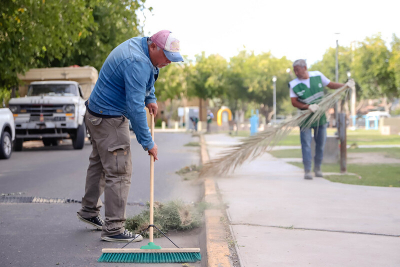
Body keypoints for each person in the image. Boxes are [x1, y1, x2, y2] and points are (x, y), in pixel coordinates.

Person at [76, 30, 183, 242]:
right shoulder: (137, 62)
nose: (168, 63)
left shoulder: (142, 48)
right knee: (119, 170)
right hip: (109, 118)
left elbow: (148, 78)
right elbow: (135, 108)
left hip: (95, 113)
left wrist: (150, 97)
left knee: (99, 164)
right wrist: (148, 143)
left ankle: (89, 212)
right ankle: (114, 228)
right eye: (167, 57)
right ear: (154, 46)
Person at [289, 59, 352, 180]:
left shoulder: (317, 75)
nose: (296, 73)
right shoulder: (293, 84)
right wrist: (307, 107)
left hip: (320, 119)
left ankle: (317, 167)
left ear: (305, 68)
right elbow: (294, 102)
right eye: (294, 71)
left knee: (320, 144)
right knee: (306, 144)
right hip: (305, 119)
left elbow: (331, 85)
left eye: (298, 70)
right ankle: (307, 170)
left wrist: (345, 86)